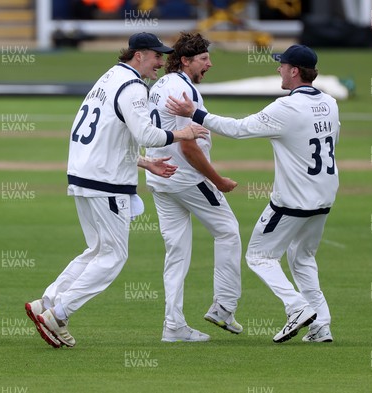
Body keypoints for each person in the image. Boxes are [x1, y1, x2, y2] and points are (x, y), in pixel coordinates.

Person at [25, 32, 208, 348]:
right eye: (156, 56)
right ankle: (58, 315)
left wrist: (144, 163)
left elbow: (106, 136)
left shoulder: (108, 77)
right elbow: (147, 133)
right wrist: (184, 132)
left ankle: (48, 301)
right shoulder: (133, 86)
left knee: (97, 249)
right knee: (113, 256)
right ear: (139, 55)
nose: (161, 62)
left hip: (84, 176)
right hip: (105, 183)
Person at [168, 44, 339, 343]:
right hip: (324, 198)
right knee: (303, 259)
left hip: (292, 202)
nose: (278, 70)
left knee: (259, 256)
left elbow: (238, 129)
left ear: (295, 71)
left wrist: (196, 113)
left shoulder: (286, 107)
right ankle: (321, 325)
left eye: (282, 65)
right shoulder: (330, 103)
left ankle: (296, 307)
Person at [145, 32, 242, 342]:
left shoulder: (160, 84)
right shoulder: (185, 92)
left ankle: (173, 326)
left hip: (160, 178)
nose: (209, 64)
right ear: (185, 61)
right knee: (228, 231)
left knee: (176, 253)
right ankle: (223, 307)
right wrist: (219, 180)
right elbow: (189, 147)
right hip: (187, 178)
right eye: (203, 59)